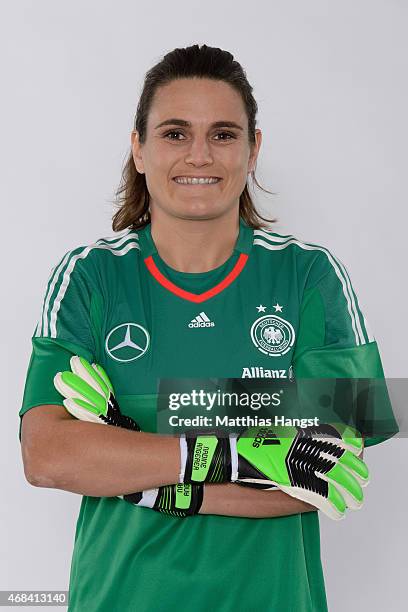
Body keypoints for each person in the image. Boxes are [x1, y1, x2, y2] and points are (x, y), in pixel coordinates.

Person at [19, 44, 392, 611]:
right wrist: (248, 456)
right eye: (174, 133)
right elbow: (47, 457)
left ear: (252, 150)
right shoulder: (90, 277)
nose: (200, 155)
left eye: (222, 134)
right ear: (138, 148)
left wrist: (134, 467)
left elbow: (332, 471)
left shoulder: (312, 277)